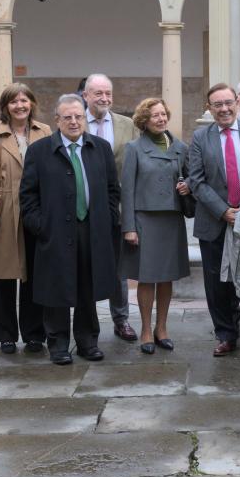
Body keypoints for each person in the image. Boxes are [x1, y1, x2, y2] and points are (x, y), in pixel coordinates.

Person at [19, 94, 120, 365]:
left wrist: (108, 219)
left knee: (88, 285)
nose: (74, 122)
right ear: (57, 121)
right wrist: (41, 226)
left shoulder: (100, 148)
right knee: (57, 288)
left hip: (91, 229)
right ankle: (59, 344)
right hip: (54, 231)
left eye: (78, 116)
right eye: (68, 117)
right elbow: (28, 196)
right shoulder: (39, 151)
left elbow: (112, 190)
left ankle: (88, 342)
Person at [0, 83, 51, 355]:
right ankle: (5, 335)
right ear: (5, 106)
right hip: (2, 210)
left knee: (36, 274)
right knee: (1, 275)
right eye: (13, 101)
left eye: (24, 100)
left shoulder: (45, 132)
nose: (20, 106)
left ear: (32, 103)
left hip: (37, 209)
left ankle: (34, 334)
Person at [189, 83, 240, 356]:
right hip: (214, 221)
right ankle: (226, 334)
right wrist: (224, 211)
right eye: (217, 104)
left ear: (237, 102)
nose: (223, 109)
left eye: (227, 102)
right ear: (209, 109)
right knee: (218, 283)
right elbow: (196, 181)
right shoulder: (200, 137)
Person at [121, 97, 192, 354]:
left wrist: (188, 187)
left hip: (171, 220)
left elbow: (191, 178)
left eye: (164, 114)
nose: (161, 119)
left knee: (166, 277)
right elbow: (126, 190)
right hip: (144, 220)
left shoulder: (181, 148)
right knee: (147, 277)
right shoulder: (134, 148)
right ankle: (146, 330)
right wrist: (128, 227)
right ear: (144, 120)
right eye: (155, 116)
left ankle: (162, 328)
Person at [82, 73, 141, 343]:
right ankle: (86, 322)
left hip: (115, 205)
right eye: (98, 94)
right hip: (81, 206)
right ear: (85, 96)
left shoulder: (127, 125)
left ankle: (121, 319)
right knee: (84, 265)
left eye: (108, 93)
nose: (104, 98)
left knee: (118, 266)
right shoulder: (74, 120)